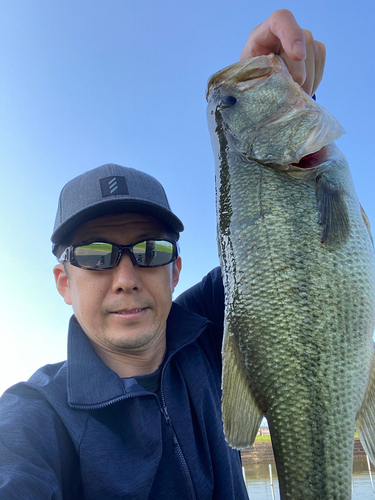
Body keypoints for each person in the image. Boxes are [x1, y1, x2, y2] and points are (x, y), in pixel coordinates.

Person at [0, 10, 326, 500]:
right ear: (63, 280)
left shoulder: (210, 328)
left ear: (175, 270)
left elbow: (285, 250)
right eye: (94, 254)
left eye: (149, 250)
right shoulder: (35, 417)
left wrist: (270, 104)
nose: (127, 276)